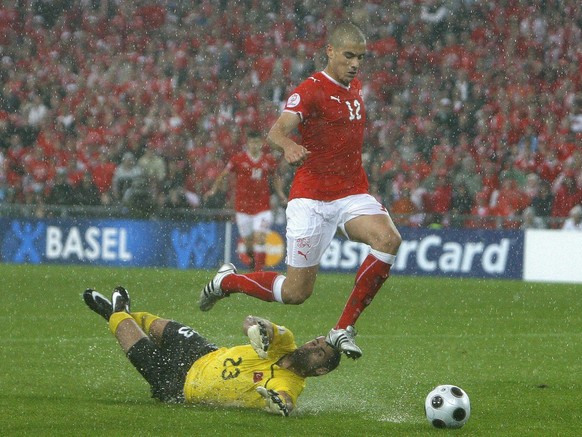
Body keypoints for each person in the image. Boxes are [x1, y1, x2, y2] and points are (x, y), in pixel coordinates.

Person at [199, 22, 402, 359]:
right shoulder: (309, 89)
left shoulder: (355, 87)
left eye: (360, 58)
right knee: (295, 293)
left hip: (352, 192)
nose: (355, 64)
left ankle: (341, 329)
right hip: (311, 199)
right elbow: (276, 132)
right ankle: (228, 281)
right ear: (331, 52)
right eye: (349, 56)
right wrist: (288, 147)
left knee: (388, 239)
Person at [83, 286, 340, 416]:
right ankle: (122, 313)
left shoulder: (290, 382)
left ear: (319, 370)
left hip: (179, 385)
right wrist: (257, 329)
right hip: (202, 351)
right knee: (156, 324)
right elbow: (256, 323)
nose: (312, 346)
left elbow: (286, 400)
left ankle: (116, 313)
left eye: (319, 352)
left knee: (131, 336)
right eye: (316, 342)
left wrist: (278, 404)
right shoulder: (286, 342)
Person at [204, 130, 287, 271]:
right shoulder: (238, 159)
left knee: (260, 238)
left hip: (263, 207)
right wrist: (213, 190)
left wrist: (280, 194)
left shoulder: (268, 161)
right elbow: (223, 174)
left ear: (261, 143)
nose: (255, 145)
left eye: (257, 142)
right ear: (248, 144)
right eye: (252, 142)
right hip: (243, 208)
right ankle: (253, 262)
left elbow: (276, 177)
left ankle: (258, 273)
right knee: (249, 244)